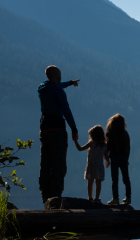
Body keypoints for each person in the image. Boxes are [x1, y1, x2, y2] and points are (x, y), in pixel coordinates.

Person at [38, 65, 80, 203]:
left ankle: (45, 194)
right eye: (60, 75)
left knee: (45, 161)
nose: (61, 77)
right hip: (57, 129)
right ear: (56, 75)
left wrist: (69, 82)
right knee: (59, 163)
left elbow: (56, 86)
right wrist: (74, 129)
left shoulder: (42, 88)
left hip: (44, 129)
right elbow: (66, 110)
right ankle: (56, 196)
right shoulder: (57, 90)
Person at [73, 125, 109, 203]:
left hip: (91, 165)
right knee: (98, 182)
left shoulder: (91, 143)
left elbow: (80, 148)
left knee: (90, 181)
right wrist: (107, 162)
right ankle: (97, 198)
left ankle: (90, 198)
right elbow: (106, 156)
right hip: (99, 166)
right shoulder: (104, 145)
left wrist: (75, 141)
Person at [105, 114, 131, 205]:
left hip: (114, 158)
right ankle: (128, 198)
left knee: (114, 180)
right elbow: (128, 147)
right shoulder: (124, 133)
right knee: (126, 179)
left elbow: (106, 147)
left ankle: (115, 198)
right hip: (123, 158)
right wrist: (126, 158)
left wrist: (106, 159)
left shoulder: (109, 133)